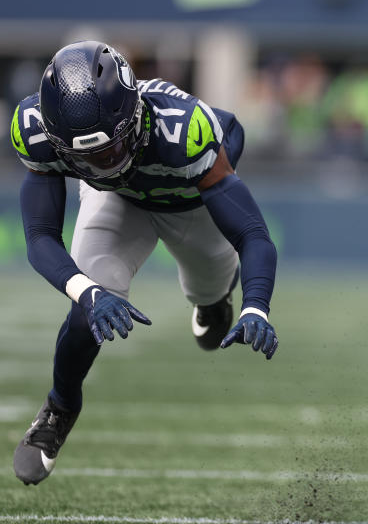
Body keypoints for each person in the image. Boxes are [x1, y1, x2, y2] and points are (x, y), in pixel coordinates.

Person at [9, 41, 280, 485]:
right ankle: (59, 408)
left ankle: (213, 301)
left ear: (133, 115)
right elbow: (39, 238)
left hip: (188, 202)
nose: (104, 164)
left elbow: (253, 234)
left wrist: (256, 304)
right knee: (88, 302)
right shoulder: (38, 129)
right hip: (116, 204)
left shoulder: (184, 130)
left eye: (111, 149)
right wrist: (88, 291)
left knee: (209, 291)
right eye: (86, 158)